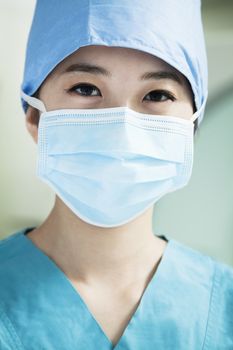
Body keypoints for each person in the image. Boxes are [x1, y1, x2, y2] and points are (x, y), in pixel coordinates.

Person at [0, 1, 232, 349]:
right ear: (35, 117)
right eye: (86, 88)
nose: (121, 127)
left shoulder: (224, 309)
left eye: (157, 95)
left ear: (191, 128)